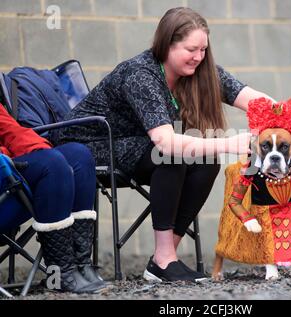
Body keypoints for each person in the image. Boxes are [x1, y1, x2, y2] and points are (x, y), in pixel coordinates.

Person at [53, 7, 275, 282]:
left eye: (203, 49)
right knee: (172, 155)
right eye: (192, 49)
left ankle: (163, 258)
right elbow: (167, 143)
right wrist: (229, 143)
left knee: (205, 161)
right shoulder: (140, 74)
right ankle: (164, 259)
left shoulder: (197, 69)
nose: (199, 56)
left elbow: (246, 96)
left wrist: (284, 114)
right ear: (167, 44)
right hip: (87, 147)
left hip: (134, 145)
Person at [0, 104, 106, 293]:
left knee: (78, 156)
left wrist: (41, 151)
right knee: (52, 165)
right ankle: (61, 274)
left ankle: (80, 265)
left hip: (6, 172)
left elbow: (10, 129)